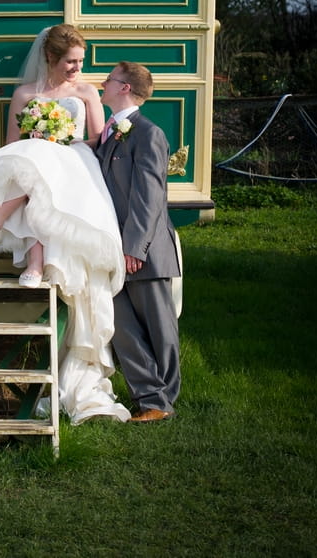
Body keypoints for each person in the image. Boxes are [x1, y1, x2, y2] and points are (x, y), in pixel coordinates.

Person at [0, 24, 131, 424]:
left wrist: (62, 142)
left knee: (47, 166)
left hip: (76, 162)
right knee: (32, 163)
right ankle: (33, 260)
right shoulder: (25, 95)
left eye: (81, 62)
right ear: (50, 59)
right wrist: (41, 143)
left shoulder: (85, 93)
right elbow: (11, 142)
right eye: (71, 61)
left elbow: (100, 140)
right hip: (35, 162)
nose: (77, 69)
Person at [96, 61, 181, 423]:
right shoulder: (111, 132)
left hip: (142, 250)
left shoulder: (148, 133)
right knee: (121, 326)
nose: (102, 83)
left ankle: (161, 401)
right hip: (112, 248)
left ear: (125, 88)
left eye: (109, 79)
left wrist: (135, 247)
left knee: (159, 330)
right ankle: (151, 399)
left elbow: (149, 196)